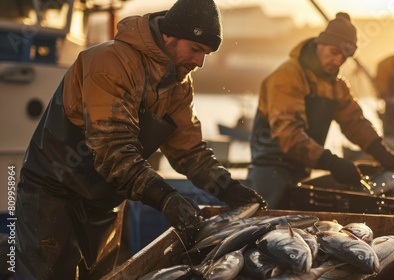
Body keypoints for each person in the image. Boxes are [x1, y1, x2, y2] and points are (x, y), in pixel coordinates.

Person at [15, 0, 267, 279]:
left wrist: (228, 188)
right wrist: (165, 198)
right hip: (53, 194)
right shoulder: (109, 63)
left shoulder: (179, 85)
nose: (200, 62)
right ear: (169, 36)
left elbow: (190, 151)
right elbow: (113, 150)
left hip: (104, 203)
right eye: (195, 49)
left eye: (205, 54)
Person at [247, 12, 394, 209]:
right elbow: (289, 135)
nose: (338, 61)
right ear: (319, 44)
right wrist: (332, 163)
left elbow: (355, 122)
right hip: (270, 171)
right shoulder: (287, 76)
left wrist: (381, 151)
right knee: (267, 225)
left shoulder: (337, 86)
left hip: (302, 169)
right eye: (334, 52)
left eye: (344, 57)